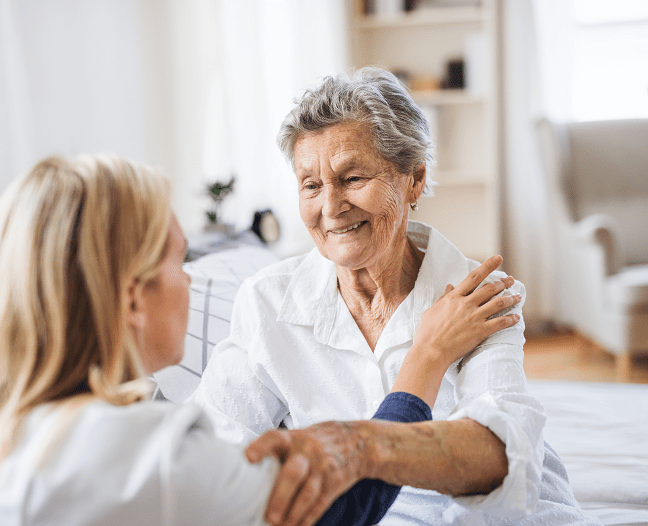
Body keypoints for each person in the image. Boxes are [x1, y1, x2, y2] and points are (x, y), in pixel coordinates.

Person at [0, 154, 521, 526]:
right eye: (180, 262)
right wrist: (427, 358)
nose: (190, 280)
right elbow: (343, 510)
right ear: (129, 297)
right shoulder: (154, 456)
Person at [193, 68, 601, 525]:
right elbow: (213, 456)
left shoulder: (478, 297)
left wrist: (360, 445)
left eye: (352, 178)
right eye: (311, 185)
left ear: (414, 179)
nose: (330, 207)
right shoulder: (267, 303)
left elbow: (498, 458)